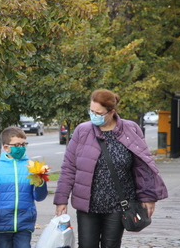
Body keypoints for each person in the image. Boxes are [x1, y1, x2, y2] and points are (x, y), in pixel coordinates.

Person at [54, 89, 168, 248]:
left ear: (111, 112)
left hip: (118, 204)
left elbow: (143, 166)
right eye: (91, 111)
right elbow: (69, 167)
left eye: (98, 113)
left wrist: (148, 197)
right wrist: (61, 199)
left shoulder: (130, 129)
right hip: (88, 205)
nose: (93, 115)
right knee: (86, 245)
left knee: (111, 245)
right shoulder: (82, 131)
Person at [0, 126, 48, 248]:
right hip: (2, 224)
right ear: (6, 147)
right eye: (16, 145)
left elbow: (39, 197)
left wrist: (41, 184)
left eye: (23, 144)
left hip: (24, 223)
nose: (21, 148)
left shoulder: (31, 167)